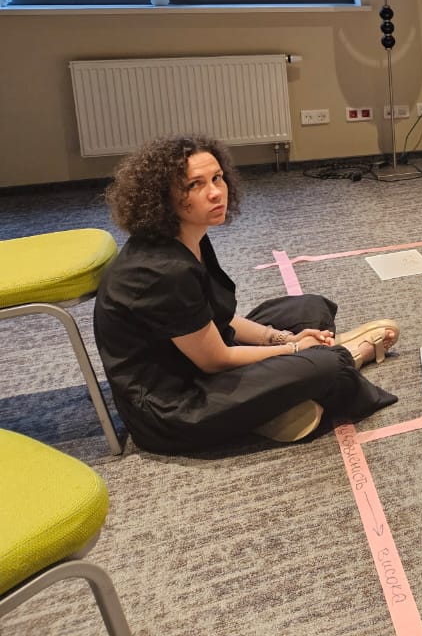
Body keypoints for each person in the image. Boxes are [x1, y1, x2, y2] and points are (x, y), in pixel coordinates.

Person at [93, 134, 399, 453]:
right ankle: (338, 362)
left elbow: (214, 318)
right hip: (176, 406)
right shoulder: (164, 271)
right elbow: (216, 360)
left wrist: (279, 338)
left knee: (311, 308)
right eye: (195, 185)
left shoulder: (189, 235)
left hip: (197, 358)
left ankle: (278, 401)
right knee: (329, 364)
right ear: (162, 197)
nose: (215, 192)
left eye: (217, 178)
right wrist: (295, 349)